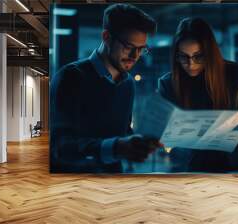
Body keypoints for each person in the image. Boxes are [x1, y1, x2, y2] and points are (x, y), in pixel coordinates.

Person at [50, 4, 162, 173]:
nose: (135, 56)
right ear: (106, 37)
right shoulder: (71, 77)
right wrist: (116, 147)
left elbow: (122, 132)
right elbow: (60, 146)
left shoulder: (128, 84)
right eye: (128, 46)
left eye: (141, 49)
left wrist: (140, 142)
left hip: (114, 181)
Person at [158, 17, 238, 172]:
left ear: (210, 53)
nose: (191, 64)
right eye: (183, 57)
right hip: (186, 168)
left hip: (231, 167)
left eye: (198, 56)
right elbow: (164, 132)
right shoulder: (168, 83)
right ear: (175, 55)